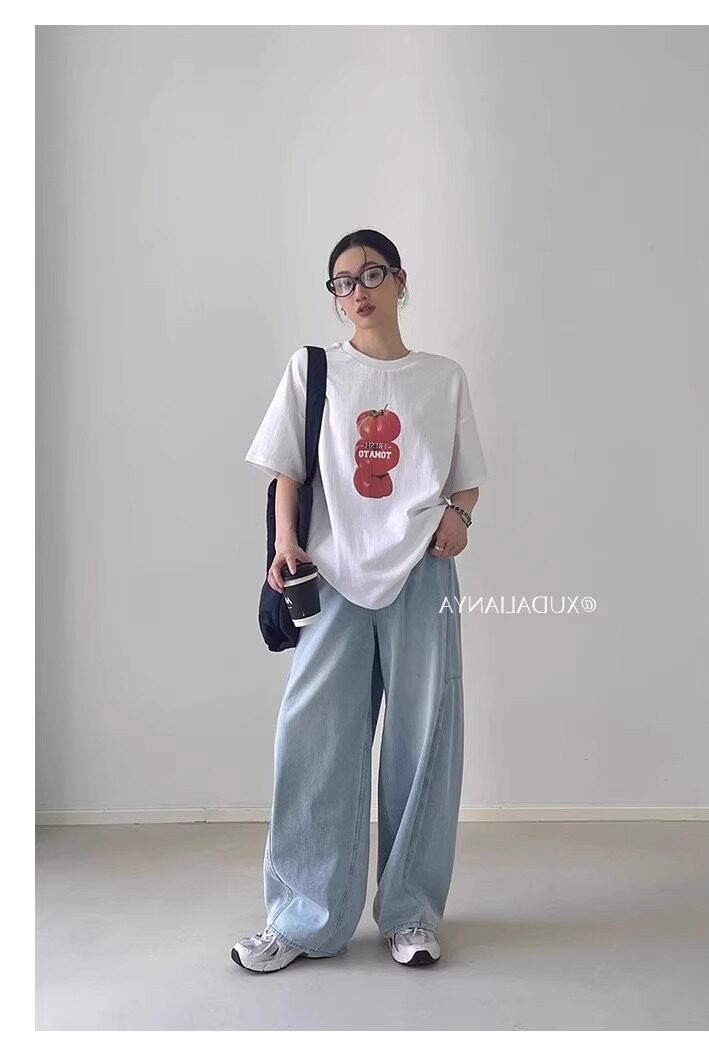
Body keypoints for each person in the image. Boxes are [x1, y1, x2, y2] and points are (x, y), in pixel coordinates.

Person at [232, 229, 488, 973]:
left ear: (400, 280)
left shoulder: (442, 378)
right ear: (335, 297)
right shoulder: (314, 370)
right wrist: (285, 542)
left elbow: (466, 478)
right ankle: (303, 919)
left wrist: (459, 516)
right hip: (332, 574)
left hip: (422, 575)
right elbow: (285, 468)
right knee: (313, 745)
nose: (357, 291)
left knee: (424, 744)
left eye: (372, 274)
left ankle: (411, 914)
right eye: (342, 282)